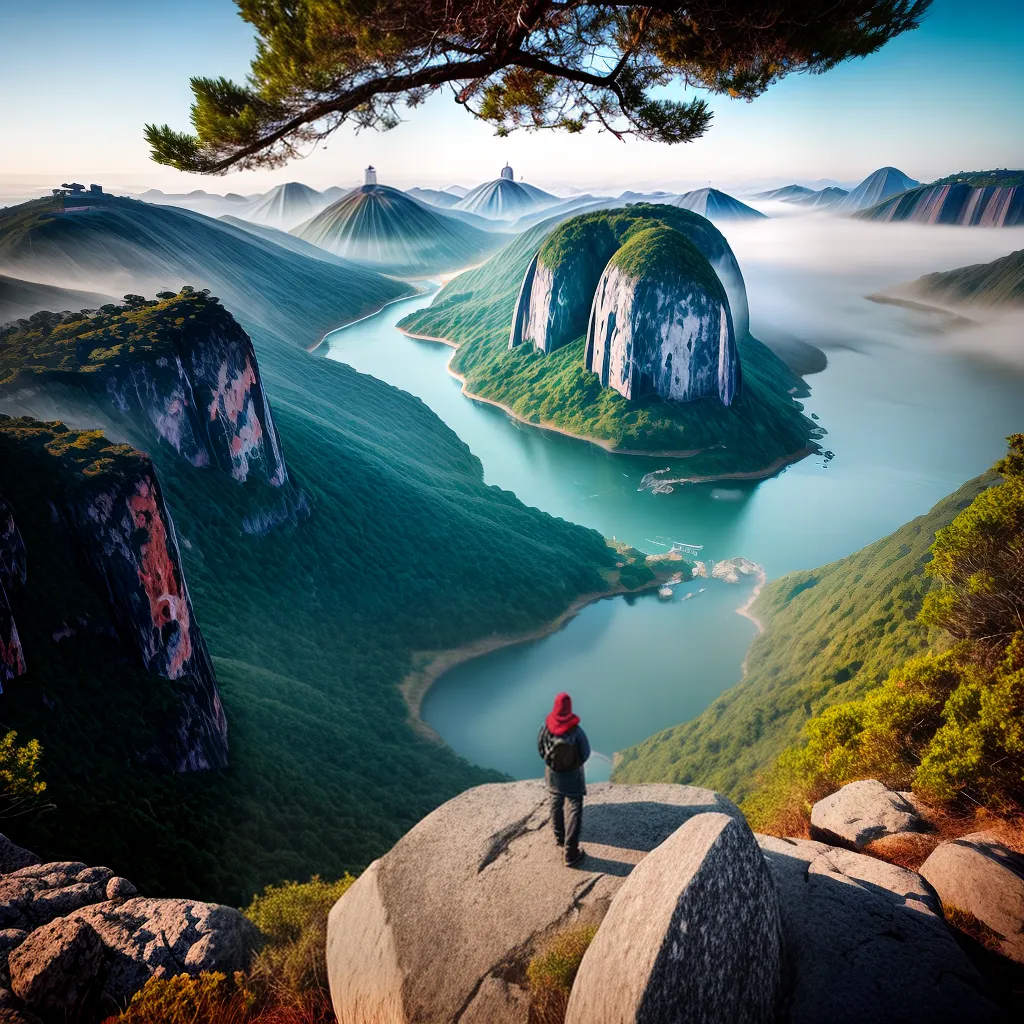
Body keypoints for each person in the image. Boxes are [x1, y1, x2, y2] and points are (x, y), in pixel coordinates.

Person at [537, 692, 591, 866]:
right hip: (573, 776)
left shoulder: (547, 727)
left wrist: (552, 764)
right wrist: (574, 765)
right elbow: (585, 753)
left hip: (553, 775)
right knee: (574, 807)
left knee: (555, 802)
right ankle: (571, 853)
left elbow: (540, 748)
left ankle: (559, 838)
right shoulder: (576, 731)